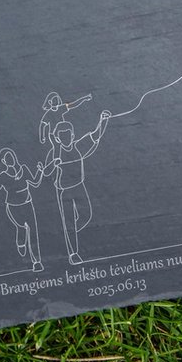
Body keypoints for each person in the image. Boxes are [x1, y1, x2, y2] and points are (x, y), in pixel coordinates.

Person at [44, 111, 113, 265]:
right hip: (63, 191)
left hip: (79, 186)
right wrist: (53, 164)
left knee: (86, 215)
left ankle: (70, 233)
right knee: (69, 223)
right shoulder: (55, 153)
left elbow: (95, 136)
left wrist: (103, 120)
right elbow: (46, 172)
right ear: (57, 139)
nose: (66, 138)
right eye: (62, 136)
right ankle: (73, 253)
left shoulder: (78, 147)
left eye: (68, 135)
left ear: (73, 135)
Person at [0, 147, 46, 271]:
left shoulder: (24, 169)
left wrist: (40, 171)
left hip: (28, 203)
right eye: (8, 158)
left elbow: (35, 182)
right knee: (21, 227)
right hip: (13, 207)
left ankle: (37, 262)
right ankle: (21, 242)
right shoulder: (2, 176)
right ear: (4, 162)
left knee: (32, 230)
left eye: (12, 157)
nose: (11, 159)